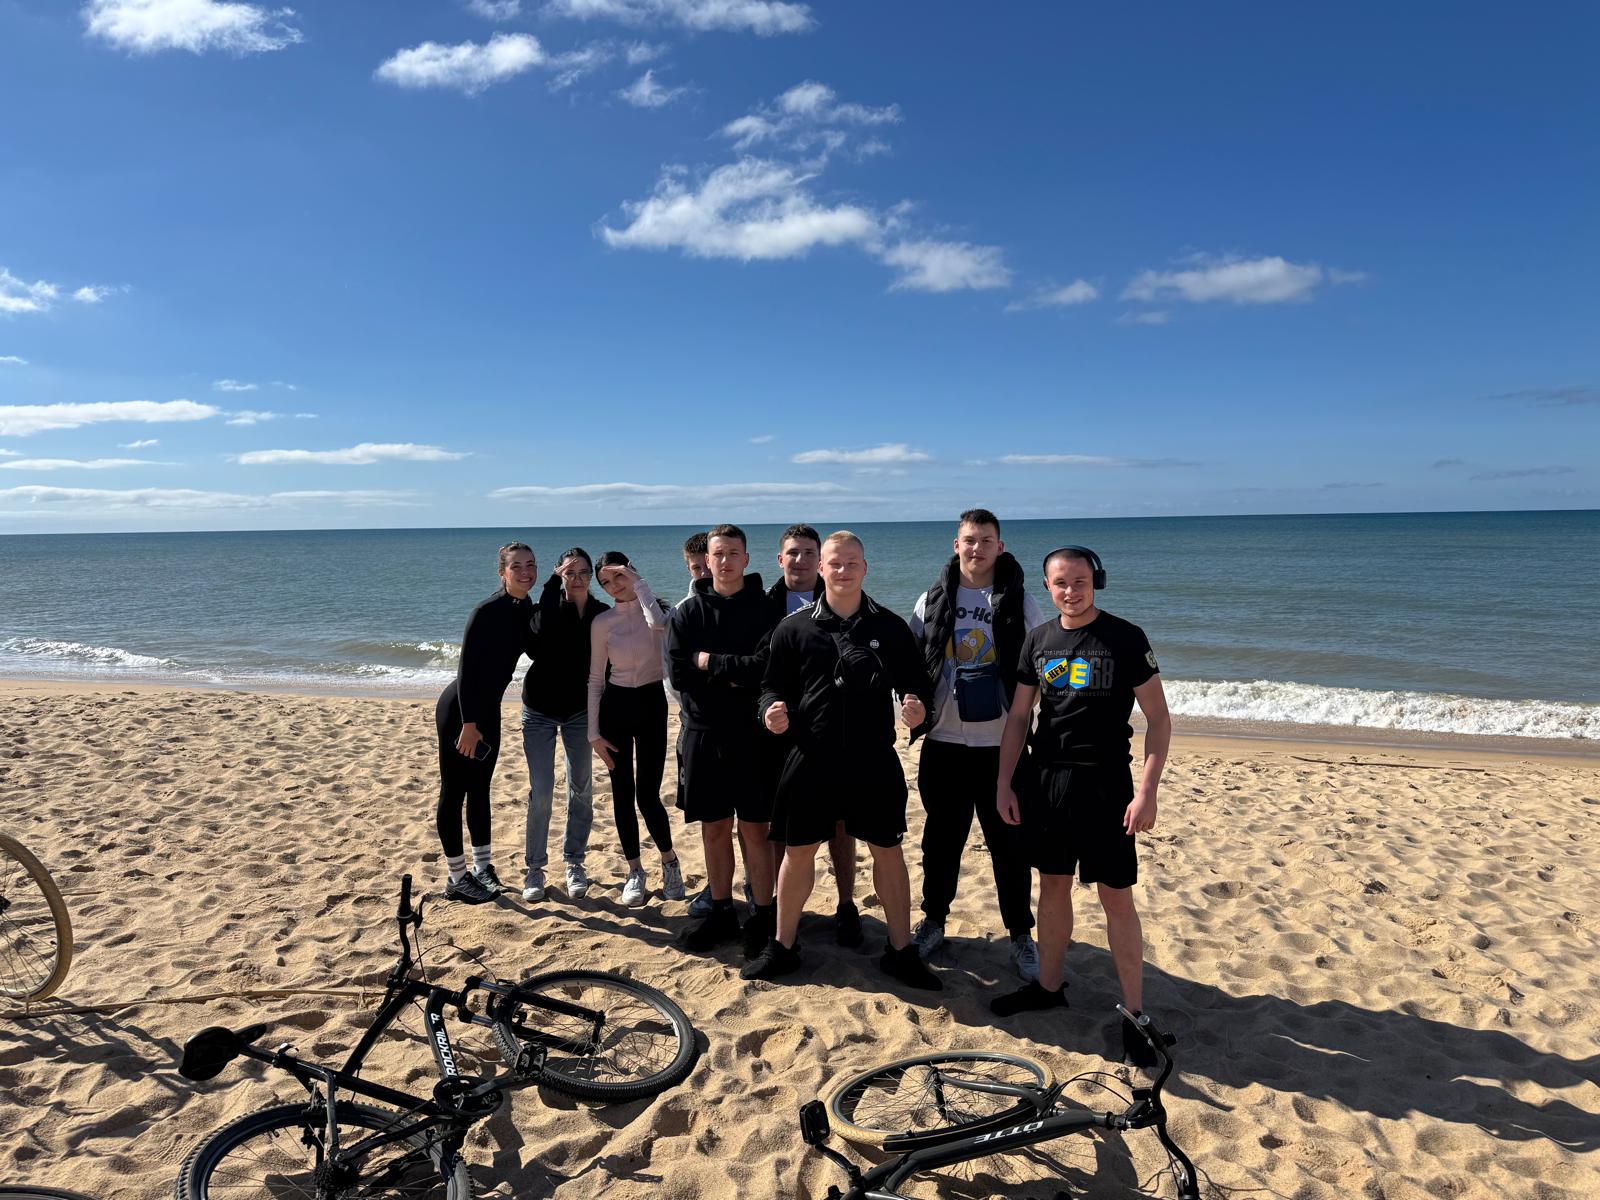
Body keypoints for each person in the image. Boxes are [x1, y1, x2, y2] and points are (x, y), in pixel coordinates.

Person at [989, 546, 1172, 1070]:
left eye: (1081, 581)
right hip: (1047, 781)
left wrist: (1146, 792)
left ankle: (1134, 1013)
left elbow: (1159, 719)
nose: (1071, 591)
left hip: (1106, 784)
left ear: (1097, 582)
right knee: (1052, 886)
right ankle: (1048, 987)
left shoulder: (1125, 638)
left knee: (1116, 897)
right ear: (1047, 587)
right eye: (1061, 583)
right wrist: (1005, 782)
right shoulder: (1039, 640)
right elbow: (1019, 718)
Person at [744, 531, 941, 991]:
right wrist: (769, 712)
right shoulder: (793, 629)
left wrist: (917, 710)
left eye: (852, 563)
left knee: (887, 851)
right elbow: (770, 687)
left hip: (873, 759)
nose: (843, 570)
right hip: (809, 757)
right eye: (835, 563)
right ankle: (783, 946)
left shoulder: (889, 626)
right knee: (798, 852)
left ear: (865, 568)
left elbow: (917, 685)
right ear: (821, 568)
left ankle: (900, 950)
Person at [907, 509, 1048, 978]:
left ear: (999, 547)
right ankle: (933, 921)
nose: (977, 548)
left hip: (1001, 745)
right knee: (941, 841)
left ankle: (1020, 934)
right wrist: (909, 703)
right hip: (944, 741)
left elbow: (1044, 663)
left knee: (1010, 844)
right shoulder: (931, 599)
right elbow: (912, 663)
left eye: (986, 540)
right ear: (956, 544)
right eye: (969, 539)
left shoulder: (1021, 601)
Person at [667, 524, 777, 957]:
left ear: (746, 559)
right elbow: (679, 675)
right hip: (704, 732)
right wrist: (735, 674)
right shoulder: (688, 613)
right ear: (706, 560)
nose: (726, 561)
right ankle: (721, 910)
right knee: (713, 828)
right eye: (718, 554)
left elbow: (766, 670)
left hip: (754, 734)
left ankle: (763, 916)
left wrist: (710, 662)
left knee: (755, 829)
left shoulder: (766, 610)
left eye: (734, 553)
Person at [761, 523, 863, 947]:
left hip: (831, 734)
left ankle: (846, 904)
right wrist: (768, 708)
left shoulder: (841, 601)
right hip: (776, 731)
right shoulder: (764, 605)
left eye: (808, 553)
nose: (800, 560)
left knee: (841, 825)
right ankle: (781, 909)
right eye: (793, 552)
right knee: (781, 827)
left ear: (819, 561)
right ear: (780, 559)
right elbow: (760, 668)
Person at [434, 541, 539, 903]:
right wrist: (468, 723)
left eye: (531, 565)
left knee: (480, 789)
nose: (525, 572)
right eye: (516, 566)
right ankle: (456, 877)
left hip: (489, 711)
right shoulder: (485, 611)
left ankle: (482, 869)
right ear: (502, 572)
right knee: (454, 791)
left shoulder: (527, 609)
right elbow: (465, 671)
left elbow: (538, 648)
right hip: (461, 711)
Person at [589, 553, 684, 906]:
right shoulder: (603, 622)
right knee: (621, 793)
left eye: (618, 576)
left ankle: (669, 862)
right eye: (606, 582)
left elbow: (657, 624)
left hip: (651, 706)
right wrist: (593, 733)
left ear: (631, 571)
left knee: (648, 795)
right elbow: (595, 679)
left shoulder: (659, 611)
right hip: (615, 709)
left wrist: (639, 584)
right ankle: (634, 870)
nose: (614, 586)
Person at [520, 548, 608, 903]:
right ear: (559, 575)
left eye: (584, 572)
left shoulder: (601, 614)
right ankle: (534, 868)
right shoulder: (548, 607)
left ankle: (574, 861)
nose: (578, 579)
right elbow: (536, 645)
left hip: (579, 712)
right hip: (539, 709)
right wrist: (550, 586)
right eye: (570, 573)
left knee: (581, 788)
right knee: (541, 791)